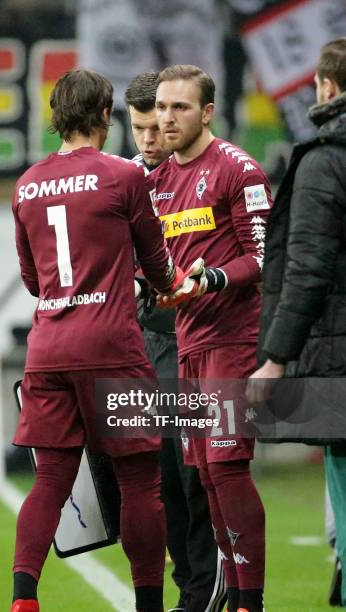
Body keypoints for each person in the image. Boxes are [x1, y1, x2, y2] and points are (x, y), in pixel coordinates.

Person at [9, 68, 189, 612]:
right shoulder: (121, 177)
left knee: (51, 482)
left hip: (49, 348)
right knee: (140, 485)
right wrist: (172, 285)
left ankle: (23, 597)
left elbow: (34, 281)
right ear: (105, 116)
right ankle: (149, 604)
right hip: (113, 346)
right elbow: (158, 267)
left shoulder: (25, 185)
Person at [151, 65, 272, 612]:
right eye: (161, 107)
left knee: (226, 467)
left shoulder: (237, 170)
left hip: (233, 338)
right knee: (204, 474)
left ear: (206, 112)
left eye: (179, 107)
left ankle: (253, 600)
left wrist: (214, 277)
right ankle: (234, 595)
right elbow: (158, 263)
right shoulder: (156, 184)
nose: (166, 118)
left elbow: (264, 258)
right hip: (189, 342)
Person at [249, 38, 346, 608]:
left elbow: (307, 268)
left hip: (337, 359)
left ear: (327, 87)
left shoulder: (323, 159)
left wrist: (275, 357)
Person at [125, 71, 225, 612]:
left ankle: (202, 590)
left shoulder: (210, 176)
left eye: (155, 127)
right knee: (159, 480)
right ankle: (189, 585)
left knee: (193, 478)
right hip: (144, 346)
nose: (147, 139)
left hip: (195, 341)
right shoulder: (128, 182)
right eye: (137, 128)